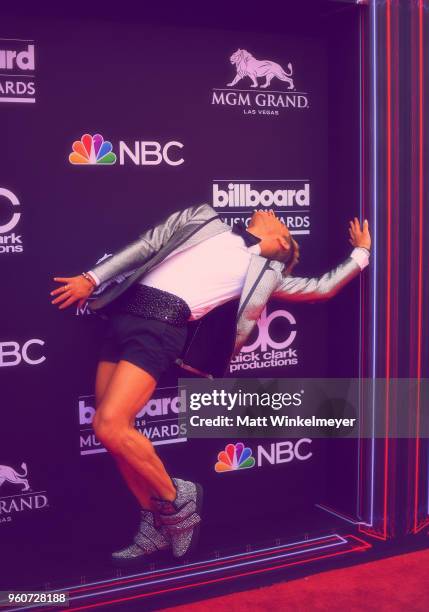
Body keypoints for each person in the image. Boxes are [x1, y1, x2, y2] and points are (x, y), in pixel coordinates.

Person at [50, 205, 371, 564]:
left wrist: (362, 253)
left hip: (159, 331)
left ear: (280, 239)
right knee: (110, 431)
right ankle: (155, 521)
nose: (268, 210)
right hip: (121, 320)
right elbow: (145, 245)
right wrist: (92, 279)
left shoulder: (267, 272)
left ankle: (178, 497)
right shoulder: (202, 218)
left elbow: (321, 288)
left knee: (110, 425)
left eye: (278, 218)